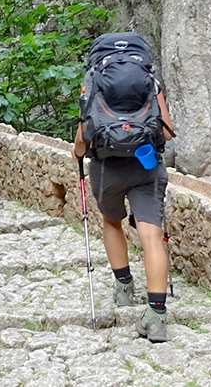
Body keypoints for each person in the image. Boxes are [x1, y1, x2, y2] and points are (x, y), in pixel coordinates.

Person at [72, 81, 176, 342]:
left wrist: (77, 152)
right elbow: (168, 133)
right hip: (146, 165)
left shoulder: (93, 85)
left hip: (107, 169)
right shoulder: (150, 83)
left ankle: (124, 288)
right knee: (151, 235)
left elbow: (83, 138)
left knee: (111, 221)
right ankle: (156, 315)